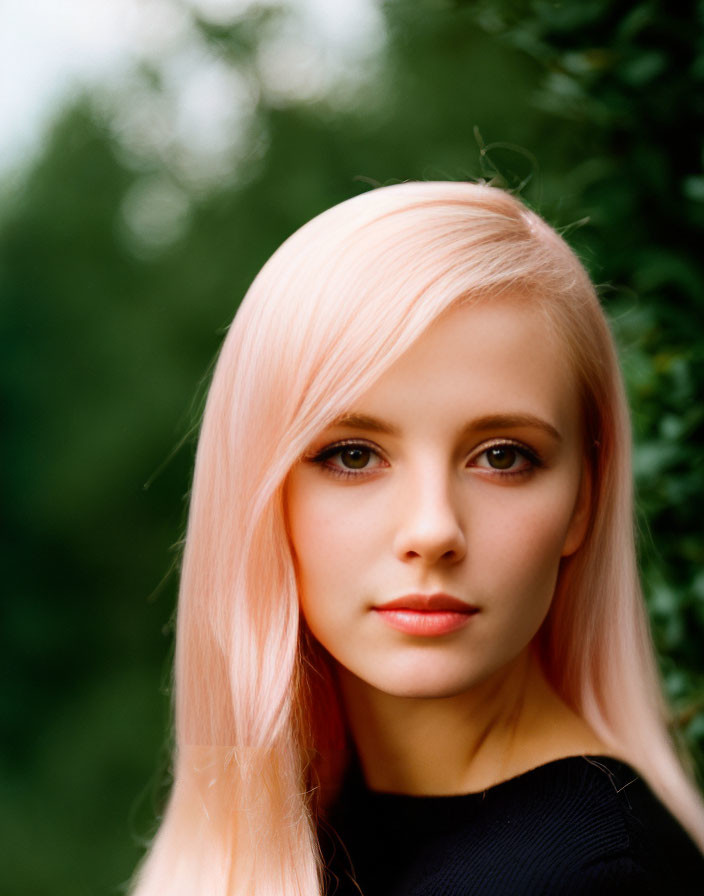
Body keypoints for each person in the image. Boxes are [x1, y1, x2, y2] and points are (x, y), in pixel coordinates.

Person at [130, 181, 704, 895]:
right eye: (353, 455)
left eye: (502, 455)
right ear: (256, 493)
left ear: (583, 502)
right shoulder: (309, 832)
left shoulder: (594, 877)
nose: (433, 530)